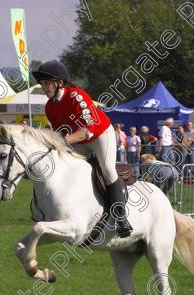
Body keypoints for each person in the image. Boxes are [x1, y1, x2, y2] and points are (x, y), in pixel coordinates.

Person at [33, 60, 132, 237]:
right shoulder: (50, 107)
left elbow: (89, 129)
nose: (44, 87)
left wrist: (64, 141)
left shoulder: (76, 96)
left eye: (47, 83)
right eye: (42, 83)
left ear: (59, 83)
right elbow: (60, 133)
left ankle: (121, 218)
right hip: (78, 139)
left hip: (100, 134)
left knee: (108, 170)